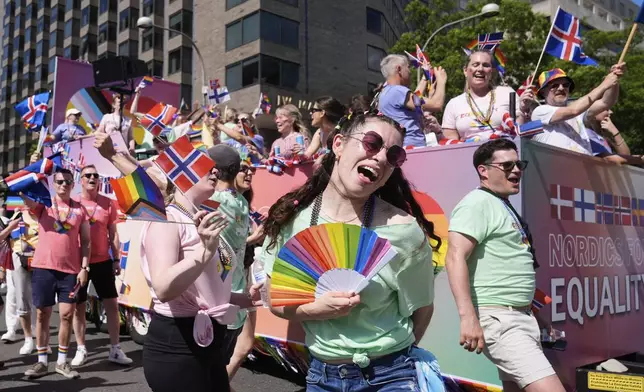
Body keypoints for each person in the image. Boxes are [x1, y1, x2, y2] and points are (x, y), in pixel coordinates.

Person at [260, 111, 441, 391]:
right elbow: (276, 301)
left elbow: (422, 310)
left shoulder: (404, 231)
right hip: (322, 377)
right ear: (339, 144)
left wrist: (394, 362)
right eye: (371, 143)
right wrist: (315, 310)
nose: (380, 157)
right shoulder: (293, 221)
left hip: (392, 375)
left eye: (393, 156)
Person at [92, 132, 261, 392]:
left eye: (213, 167)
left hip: (206, 340)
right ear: (181, 177)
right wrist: (202, 254)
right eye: (204, 166)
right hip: (177, 346)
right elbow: (163, 287)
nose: (213, 171)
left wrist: (244, 299)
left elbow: (203, 290)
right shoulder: (166, 220)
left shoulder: (199, 215)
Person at [446, 139, 565, 392]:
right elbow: (455, 256)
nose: (517, 170)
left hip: (517, 318)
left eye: (519, 164)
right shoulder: (476, 203)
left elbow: (510, 269)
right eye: (508, 165)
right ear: (483, 170)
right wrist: (468, 318)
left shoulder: (500, 203)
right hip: (501, 321)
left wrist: (538, 319)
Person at [21, 168, 91, 380]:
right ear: (54, 183)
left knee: (68, 315)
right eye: (59, 181)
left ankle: (61, 362)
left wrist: (84, 268)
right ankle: (42, 362)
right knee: (42, 314)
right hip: (44, 268)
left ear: (73, 184)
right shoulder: (44, 204)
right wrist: (31, 173)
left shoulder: (80, 209)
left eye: (68, 181)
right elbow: (25, 196)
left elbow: (86, 242)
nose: (63, 185)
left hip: (70, 271)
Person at [71, 165, 133, 366]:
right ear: (80, 180)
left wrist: (116, 259)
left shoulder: (108, 203)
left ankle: (115, 349)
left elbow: (113, 233)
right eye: (87, 175)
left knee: (112, 305)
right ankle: (81, 349)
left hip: (103, 261)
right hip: (78, 263)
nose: (92, 178)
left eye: (95, 175)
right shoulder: (73, 203)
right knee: (78, 307)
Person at [206, 146, 252, 386]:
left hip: (218, 300)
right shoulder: (241, 202)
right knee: (215, 369)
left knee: (207, 372)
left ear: (214, 170)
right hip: (236, 300)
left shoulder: (214, 200)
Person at [530, 64, 624, 155]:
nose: (561, 88)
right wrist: (604, 84)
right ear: (543, 91)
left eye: (566, 85)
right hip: (557, 169)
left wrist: (613, 80)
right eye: (554, 85)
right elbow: (574, 110)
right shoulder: (540, 111)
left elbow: (606, 102)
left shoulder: (577, 111)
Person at [225, 159, 261, 390]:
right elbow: (224, 246)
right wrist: (253, 239)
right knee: (236, 345)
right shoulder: (223, 203)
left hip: (245, 276)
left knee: (245, 343)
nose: (249, 173)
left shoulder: (243, 203)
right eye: (243, 169)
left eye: (252, 169)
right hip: (229, 283)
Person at [442, 51, 533, 141]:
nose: (480, 69)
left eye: (486, 65)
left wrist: (523, 110)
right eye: (475, 64)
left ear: (491, 71)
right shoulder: (454, 103)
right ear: (465, 71)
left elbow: (520, 134)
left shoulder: (507, 93)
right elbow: (450, 143)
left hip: (505, 150)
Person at [377, 54, 447, 147]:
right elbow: (436, 104)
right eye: (408, 67)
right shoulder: (398, 91)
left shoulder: (386, 92)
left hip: (400, 147)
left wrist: (425, 78)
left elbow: (415, 99)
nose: (410, 72)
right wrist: (441, 81)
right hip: (412, 149)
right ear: (399, 69)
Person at [4, 207, 39, 355]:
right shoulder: (17, 215)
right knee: (21, 300)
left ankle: (42, 341)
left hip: (40, 260)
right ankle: (27, 339)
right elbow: (7, 240)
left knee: (41, 302)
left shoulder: (45, 216)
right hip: (19, 260)